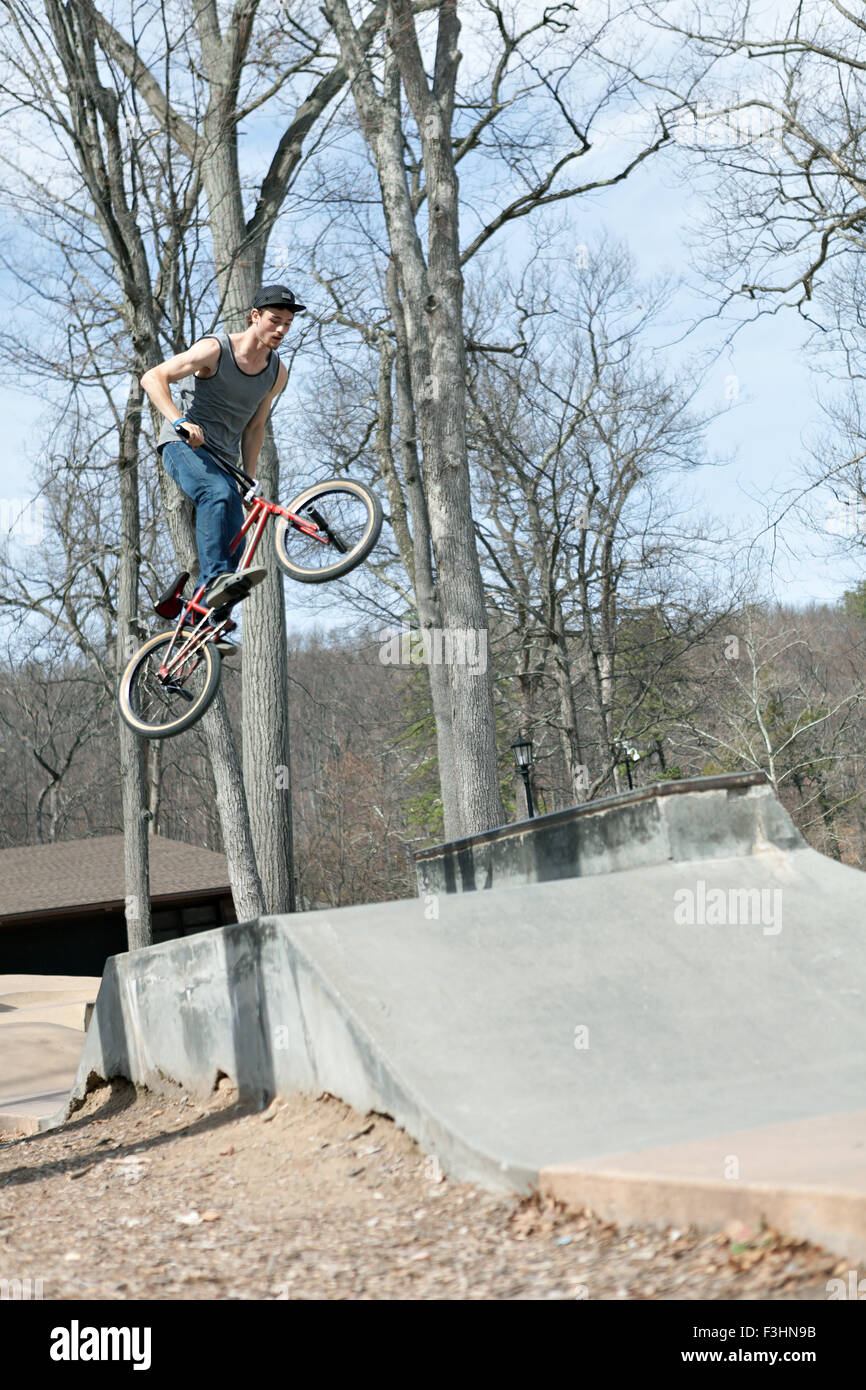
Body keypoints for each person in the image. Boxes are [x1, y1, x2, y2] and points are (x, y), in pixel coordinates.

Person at [141, 285, 305, 622]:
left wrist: (249, 478)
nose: (281, 330)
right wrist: (180, 420)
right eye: (275, 320)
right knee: (215, 494)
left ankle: (198, 619)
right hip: (182, 445)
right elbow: (153, 377)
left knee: (236, 546)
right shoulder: (215, 349)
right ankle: (214, 581)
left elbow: (255, 427)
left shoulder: (277, 373)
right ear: (255, 316)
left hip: (224, 462)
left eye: (288, 324)